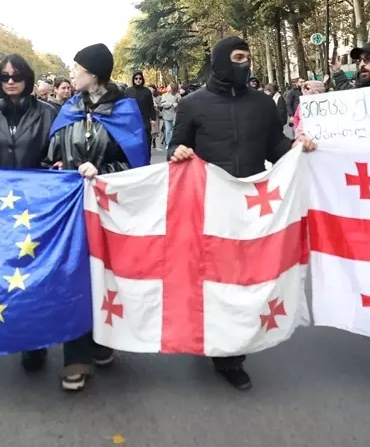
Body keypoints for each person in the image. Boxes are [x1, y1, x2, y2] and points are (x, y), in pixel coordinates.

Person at [170, 36, 317, 391]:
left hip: (253, 208)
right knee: (209, 275)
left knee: (242, 278)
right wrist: (178, 151)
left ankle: (231, 355)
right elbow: (176, 142)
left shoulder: (263, 104)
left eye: (248, 59)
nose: (245, 65)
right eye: (238, 58)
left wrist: (299, 147)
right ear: (220, 61)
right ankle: (207, 333)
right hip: (207, 206)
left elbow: (276, 146)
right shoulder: (192, 104)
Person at [48, 43, 149, 392]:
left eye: (77, 69)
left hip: (110, 210)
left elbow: (137, 164)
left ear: (94, 74)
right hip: (72, 210)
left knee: (106, 274)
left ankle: (103, 339)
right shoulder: (69, 108)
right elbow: (52, 154)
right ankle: (76, 358)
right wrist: (59, 166)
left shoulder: (125, 109)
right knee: (74, 275)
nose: (72, 74)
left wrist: (102, 170)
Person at [0, 54, 59, 374]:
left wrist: (51, 172)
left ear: (28, 79)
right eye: (5, 76)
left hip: (38, 206)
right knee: (5, 272)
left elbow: (57, 153)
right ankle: (9, 328)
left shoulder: (50, 113)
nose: (10, 82)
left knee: (34, 274)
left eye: (16, 76)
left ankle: (33, 341)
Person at [124, 71, 158, 142]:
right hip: (132, 120)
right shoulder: (128, 91)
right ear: (133, 80)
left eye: (140, 78)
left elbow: (151, 106)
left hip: (145, 119)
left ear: (142, 79)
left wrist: (153, 119)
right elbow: (124, 106)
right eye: (136, 78)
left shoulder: (147, 91)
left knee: (146, 140)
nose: (138, 80)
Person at [157, 84, 181, 150]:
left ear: (172, 88)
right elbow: (163, 104)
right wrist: (171, 104)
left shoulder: (177, 95)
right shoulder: (164, 95)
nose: (167, 87)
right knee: (168, 130)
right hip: (167, 114)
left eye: (168, 86)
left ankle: (174, 143)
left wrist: (177, 104)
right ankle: (168, 143)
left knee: (174, 129)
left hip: (175, 114)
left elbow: (181, 103)